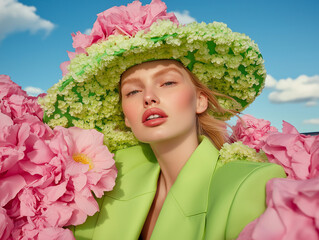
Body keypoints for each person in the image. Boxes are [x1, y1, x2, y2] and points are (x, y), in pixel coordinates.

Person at [40, 0, 286, 239]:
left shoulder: (250, 184)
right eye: (132, 92)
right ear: (126, 117)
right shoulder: (105, 180)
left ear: (200, 100)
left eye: (168, 82)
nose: (148, 97)